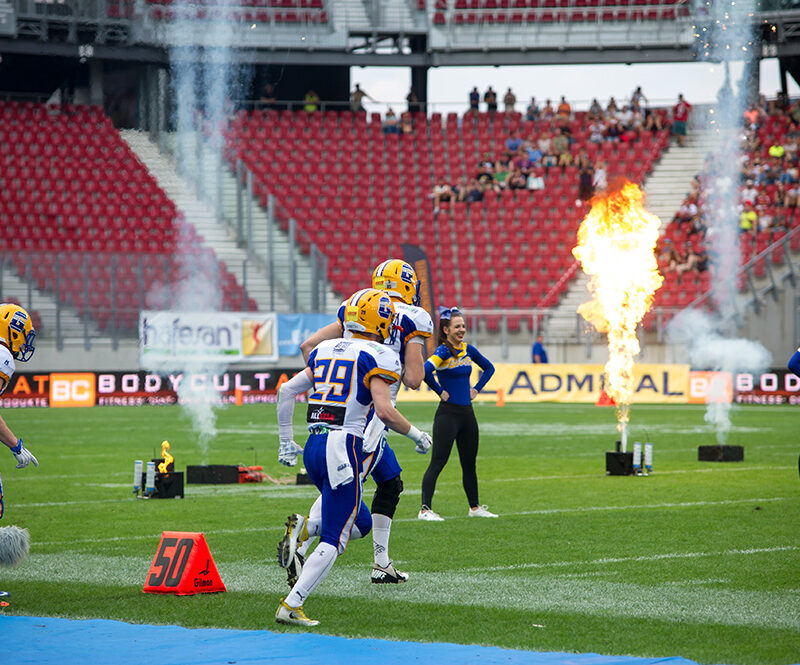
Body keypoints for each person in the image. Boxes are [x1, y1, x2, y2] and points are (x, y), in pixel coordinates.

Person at [274, 289, 432, 627]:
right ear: (379, 322)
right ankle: (292, 604)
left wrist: (286, 442)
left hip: (314, 445)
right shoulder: (378, 354)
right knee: (335, 538)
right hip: (343, 446)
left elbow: (287, 390)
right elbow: (384, 411)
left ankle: (305, 529)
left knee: (359, 522)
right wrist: (418, 435)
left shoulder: (324, 349)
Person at [419, 307, 496, 521]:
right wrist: (438, 390)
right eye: (457, 327)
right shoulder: (443, 352)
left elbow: (489, 368)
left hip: (467, 415)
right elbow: (425, 371)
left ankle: (475, 508)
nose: (462, 330)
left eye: (463, 326)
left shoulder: (468, 350)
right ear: (446, 330)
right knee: (438, 462)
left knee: (469, 464)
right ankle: (425, 510)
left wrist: (477, 388)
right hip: (448, 415)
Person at [0, 304, 39, 520]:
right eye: (23, 335)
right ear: (13, 330)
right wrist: (16, 445)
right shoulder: (2, 356)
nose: (24, 342)